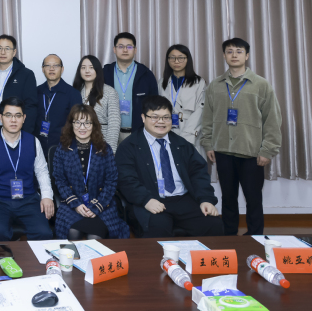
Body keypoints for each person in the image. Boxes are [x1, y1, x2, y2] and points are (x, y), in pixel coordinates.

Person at [200, 38, 282, 236]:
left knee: (253, 198)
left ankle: (255, 236)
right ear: (224, 56)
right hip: (223, 151)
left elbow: (272, 120)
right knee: (228, 198)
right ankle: (229, 235)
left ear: (247, 55)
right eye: (229, 51)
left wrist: (267, 150)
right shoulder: (215, 85)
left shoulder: (261, 85)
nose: (234, 55)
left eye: (239, 51)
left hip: (251, 153)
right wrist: (208, 144)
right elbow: (207, 118)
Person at [116, 95, 224, 238]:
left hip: (182, 199)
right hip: (151, 199)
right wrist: (146, 200)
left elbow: (199, 174)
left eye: (166, 117)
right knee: (157, 227)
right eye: (155, 117)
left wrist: (206, 199)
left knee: (213, 223)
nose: (161, 122)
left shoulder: (182, 144)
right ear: (143, 118)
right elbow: (126, 179)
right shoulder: (129, 146)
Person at [0, 96, 54, 241]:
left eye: (18, 116)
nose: (13, 120)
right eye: (8, 115)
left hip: (28, 199)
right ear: (0, 117)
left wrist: (47, 197)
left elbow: (42, 172)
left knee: (44, 233)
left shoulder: (33, 141)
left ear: (24, 118)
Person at [52, 104, 129, 240]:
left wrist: (98, 206)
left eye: (87, 123)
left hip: (102, 203)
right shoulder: (63, 149)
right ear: (71, 124)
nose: (82, 127)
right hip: (72, 204)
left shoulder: (105, 149)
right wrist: (75, 204)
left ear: (94, 125)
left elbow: (111, 181)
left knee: (94, 236)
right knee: (73, 232)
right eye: (78, 122)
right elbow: (59, 180)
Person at [103, 32, 159, 144]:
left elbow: (154, 105)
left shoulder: (146, 74)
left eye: (129, 47)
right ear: (114, 49)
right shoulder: (104, 73)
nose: (125, 50)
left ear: (135, 50)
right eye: (121, 46)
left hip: (139, 134)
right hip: (109, 134)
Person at [0, 35, 38, 138]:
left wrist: (26, 133)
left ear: (14, 52)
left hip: (15, 130)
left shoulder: (26, 74)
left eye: (7, 49)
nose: (3, 52)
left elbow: (31, 106)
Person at [158, 45, 206, 151]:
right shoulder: (161, 82)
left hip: (190, 133)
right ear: (168, 60)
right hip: (166, 131)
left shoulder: (198, 82)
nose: (176, 61)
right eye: (172, 58)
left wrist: (186, 136)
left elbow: (200, 111)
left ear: (187, 59)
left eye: (181, 58)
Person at [73, 55, 121, 152]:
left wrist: (110, 150)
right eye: (83, 68)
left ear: (97, 70)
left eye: (91, 67)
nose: (87, 71)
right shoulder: (74, 91)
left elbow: (114, 123)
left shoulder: (109, 92)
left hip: (101, 144)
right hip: (78, 145)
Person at [35, 54, 82, 151]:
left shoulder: (73, 94)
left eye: (56, 65)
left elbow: (77, 123)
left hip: (63, 148)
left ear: (62, 69)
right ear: (43, 69)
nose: (51, 69)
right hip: (38, 147)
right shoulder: (36, 92)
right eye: (48, 65)